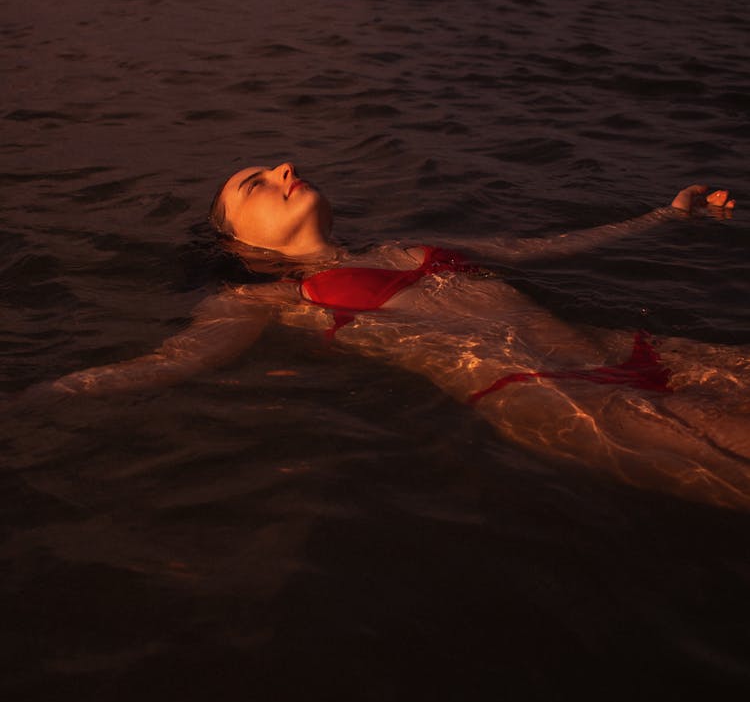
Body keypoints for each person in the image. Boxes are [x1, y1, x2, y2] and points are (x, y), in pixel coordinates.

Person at [18, 163, 748, 508]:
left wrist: (666, 215)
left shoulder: (408, 244)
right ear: (234, 238)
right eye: (254, 183)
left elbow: (551, 246)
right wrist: (33, 399)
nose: (284, 168)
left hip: (631, 351)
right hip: (552, 394)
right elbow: (163, 364)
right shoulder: (269, 300)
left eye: (276, 166)